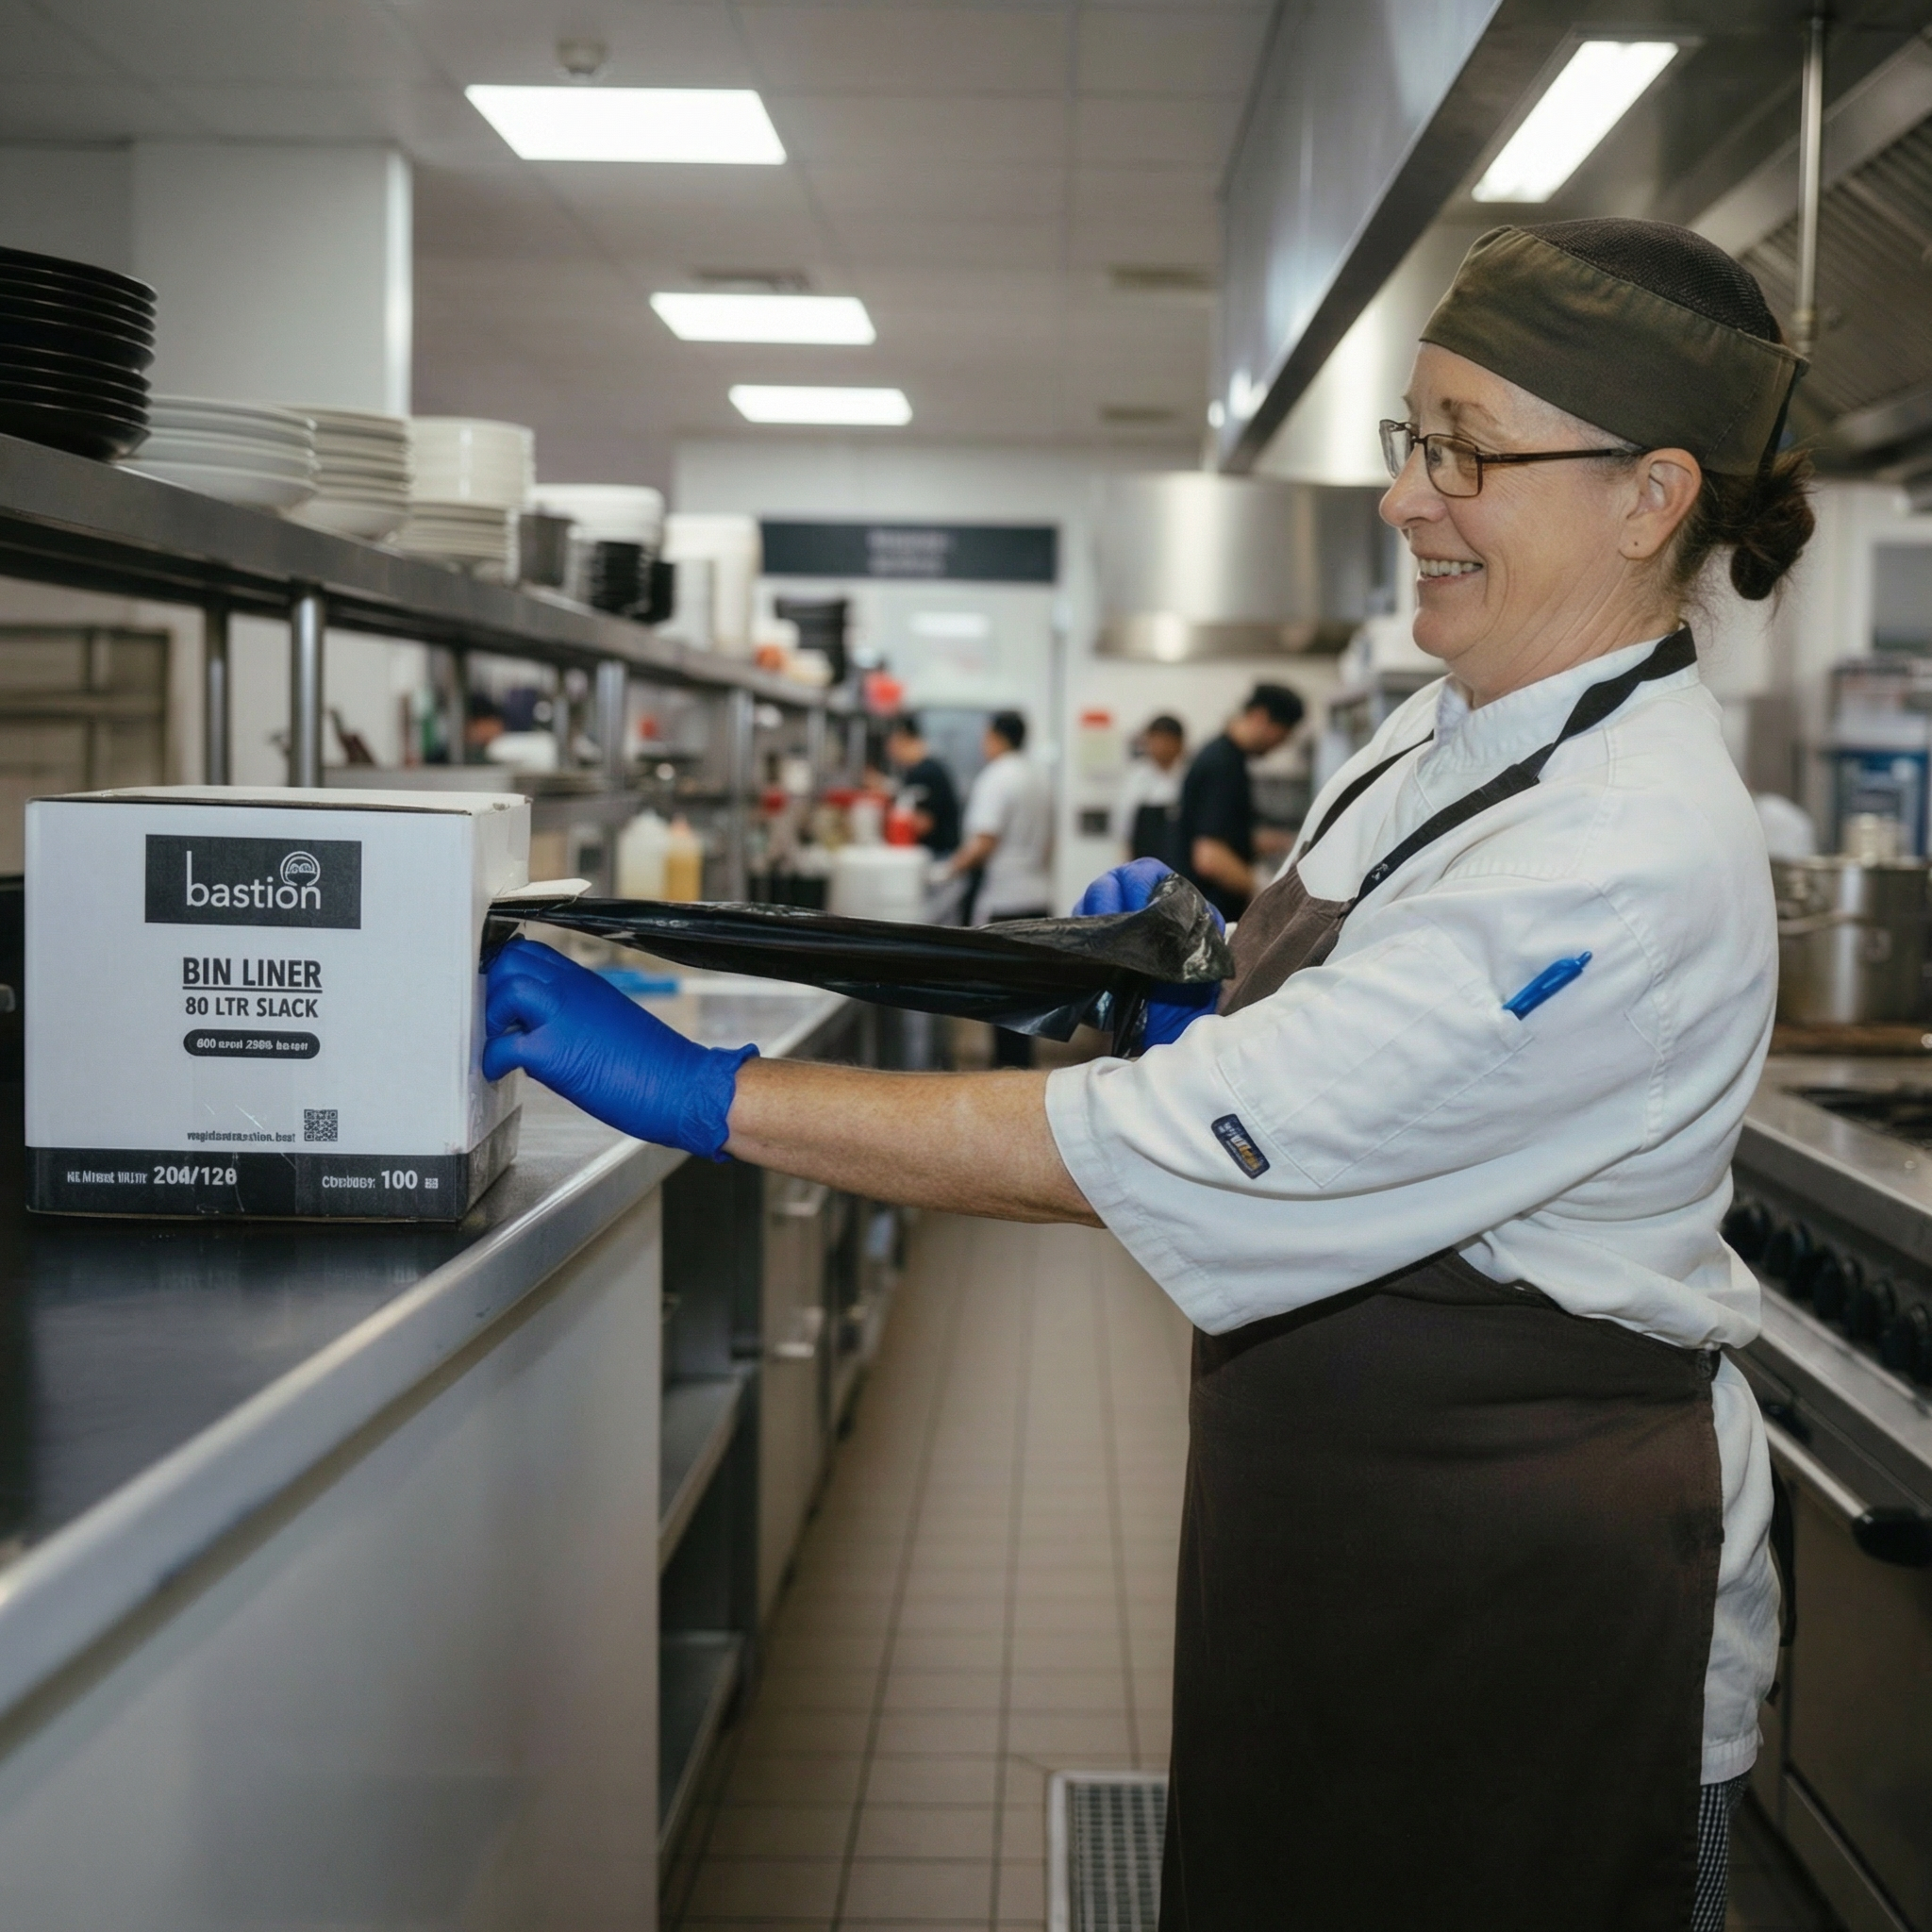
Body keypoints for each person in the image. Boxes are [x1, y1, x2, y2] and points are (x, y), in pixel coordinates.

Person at [480, 217, 1812, 1930]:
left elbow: (1179, 1145)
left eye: (1463, 448)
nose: (1408, 497)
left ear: (1647, 495)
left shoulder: (1622, 849)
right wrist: (1175, 987)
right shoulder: (1446, 722)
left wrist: (714, 1094)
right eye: (1409, 438)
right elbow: (1345, 1029)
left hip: (1527, 1607)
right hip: (1349, 1541)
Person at [945, 709, 1053, 1065]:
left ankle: (1007, 1079)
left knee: (1004, 1006)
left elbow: (984, 840)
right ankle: (1023, 1075)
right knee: (1029, 1005)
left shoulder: (996, 777)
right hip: (1038, 898)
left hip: (1006, 902)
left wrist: (947, 869)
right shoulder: (1037, 777)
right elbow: (1049, 844)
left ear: (995, 736)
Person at [1175, 683, 1304, 919]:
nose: (1280, 745)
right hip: (1208, 913)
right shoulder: (1223, 764)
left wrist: (1270, 842)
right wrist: (1268, 893)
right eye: (1282, 735)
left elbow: (1222, 832)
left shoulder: (1225, 755)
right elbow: (1210, 856)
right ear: (1261, 717)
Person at [1111, 714, 1187, 867]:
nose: (1161, 746)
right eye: (1155, 739)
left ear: (1180, 743)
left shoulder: (1189, 776)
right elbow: (1124, 828)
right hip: (1144, 864)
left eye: (1167, 740)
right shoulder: (1136, 778)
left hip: (1183, 864)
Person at [883, 714, 961, 858]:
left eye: (892, 744)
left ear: (904, 739)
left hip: (938, 854)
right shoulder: (916, 771)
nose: (890, 751)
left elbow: (923, 823)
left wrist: (888, 817)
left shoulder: (926, 773)